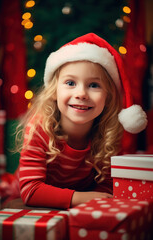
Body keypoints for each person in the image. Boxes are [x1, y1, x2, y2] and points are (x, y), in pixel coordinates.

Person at [17, 33, 147, 209]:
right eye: (70, 83)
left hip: (75, 209)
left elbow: (106, 187)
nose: (81, 94)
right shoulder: (40, 129)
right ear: (54, 91)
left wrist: (92, 200)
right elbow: (30, 190)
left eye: (94, 85)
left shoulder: (108, 132)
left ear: (108, 98)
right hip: (33, 203)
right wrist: (83, 198)